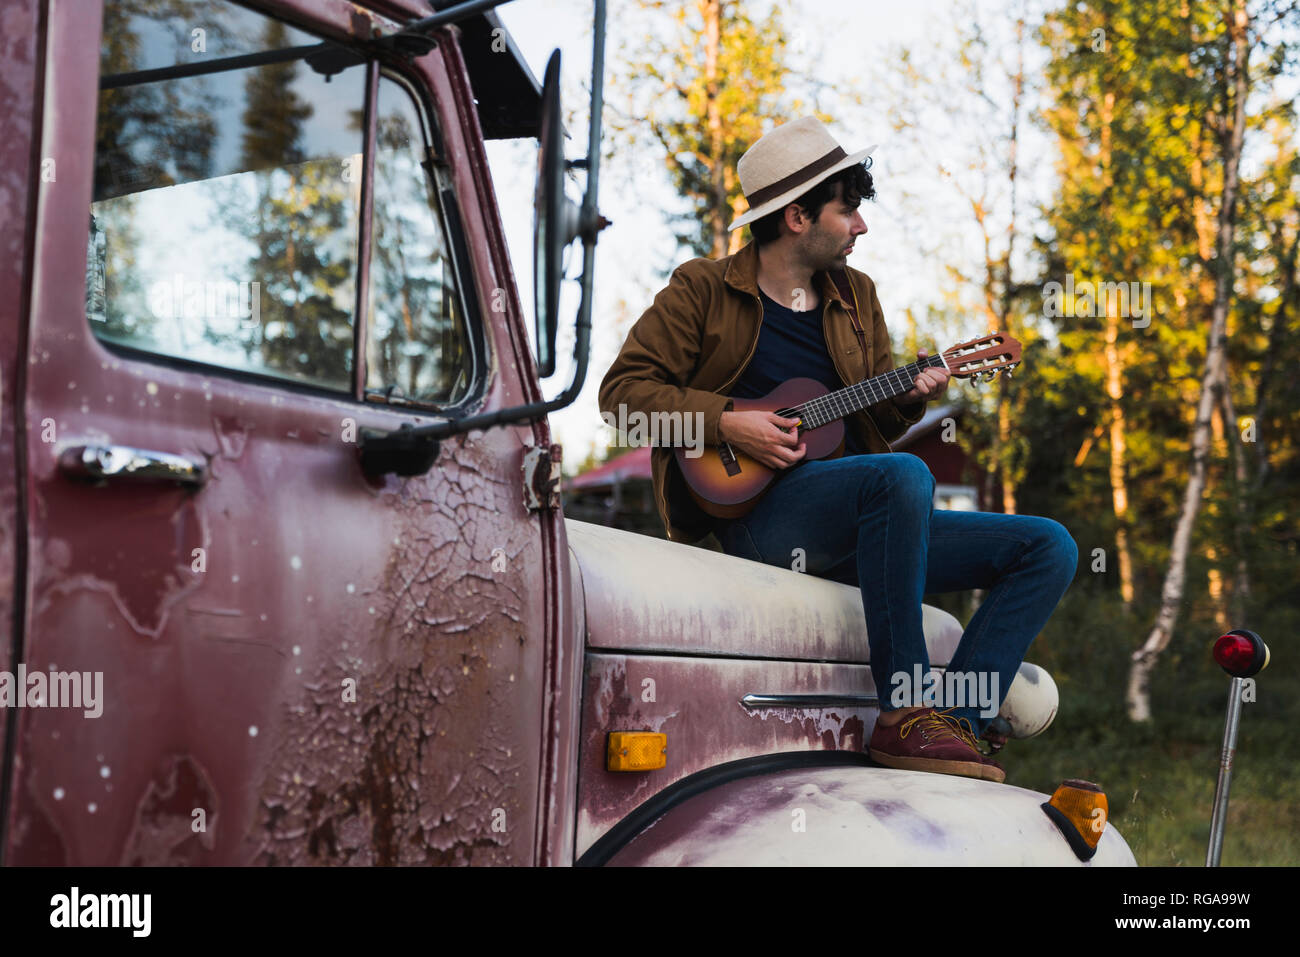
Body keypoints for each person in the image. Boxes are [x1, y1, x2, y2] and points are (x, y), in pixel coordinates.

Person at [598, 116, 1078, 784]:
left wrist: (915, 391)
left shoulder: (857, 297)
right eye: (847, 209)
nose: (860, 226)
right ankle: (904, 712)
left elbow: (870, 412)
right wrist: (729, 423)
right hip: (762, 519)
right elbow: (621, 399)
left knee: (1048, 544)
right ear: (797, 216)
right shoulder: (702, 290)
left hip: (871, 525)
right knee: (902, 475)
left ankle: (956, 724)